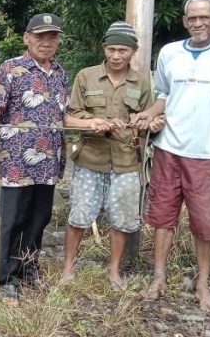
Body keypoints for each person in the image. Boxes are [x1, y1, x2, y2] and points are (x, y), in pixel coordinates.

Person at [132, 0, 210, 312]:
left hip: (208, 151)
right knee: (162, 216)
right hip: (168, 148)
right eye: (192, 18)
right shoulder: (170, 53)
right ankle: (158, 278)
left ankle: (202, 285)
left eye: (204, 17)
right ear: (185, 21)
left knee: (204, 221)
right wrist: (150, 113)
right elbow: (163, 94)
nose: (198, 22)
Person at [0, 13, 68, 299]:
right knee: (14, 221)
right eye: (40, 36)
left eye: (52, 37)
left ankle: (29, 270)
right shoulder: (11, 69)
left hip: (49, 164)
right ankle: (7, 279)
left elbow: (67, 114)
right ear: (27, 38)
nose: (46, 42)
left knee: (40, 219)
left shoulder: (60, 73)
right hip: (17, 164)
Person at [61, 21, 153, 289]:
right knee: (79, 215)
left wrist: (146, 121)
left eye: (122, 50)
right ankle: (68, 268)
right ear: (104, 48)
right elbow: (70, 115)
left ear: (133, 51)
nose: (116, 55)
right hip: (91, 158)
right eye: (111, 49)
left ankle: (114, 271)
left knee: (123, 218)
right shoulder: (86, 76)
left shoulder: (141, 81)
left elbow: (147, 116)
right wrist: (94, 122)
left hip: (126, 162)